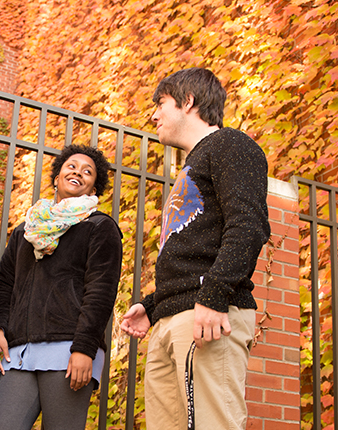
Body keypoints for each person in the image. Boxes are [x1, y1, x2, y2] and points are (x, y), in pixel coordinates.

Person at [120, 68, 270, 429]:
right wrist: (154, 304)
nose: (154, 115)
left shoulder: (231, 145)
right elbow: (196, 249)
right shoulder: (193, 164)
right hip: (174, 318)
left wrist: (215, 295)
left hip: (207, 317)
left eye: (161, 103)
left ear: (187, 102)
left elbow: (247, 225)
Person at [0, 145, 122, 430]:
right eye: (72, 166)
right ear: (57, 177)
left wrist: (84, 349)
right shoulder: (25, 230)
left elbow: (100, 293)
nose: (78, 172)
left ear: (93, 189)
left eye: (88, 171)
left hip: (69, 351)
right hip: (19, 352)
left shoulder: (99, 227)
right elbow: (3, 285)